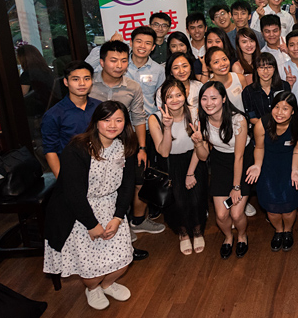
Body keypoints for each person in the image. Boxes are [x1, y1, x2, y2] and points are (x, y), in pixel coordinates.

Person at [43, 101, 137, 310]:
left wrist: (118, 216)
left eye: (119, 120)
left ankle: (108, 284)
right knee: (91, 270)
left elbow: (128, 183)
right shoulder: (78, 147)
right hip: (80, 211)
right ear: (96, 122)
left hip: (112, 206)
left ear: (125, 123)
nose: (113, 125)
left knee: (123, 261)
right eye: (106, 119)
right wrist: (91, 224)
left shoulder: (127, 145)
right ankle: (93, 288)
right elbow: (72, 193)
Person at [90, 41, 160, 250]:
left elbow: (139, 118)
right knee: (105, 186)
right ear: (102, 62)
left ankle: (135, 221)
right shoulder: (90, 84)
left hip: (125, 143)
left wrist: (141, 148)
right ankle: (110, 225)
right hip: (96, 145)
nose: (119, 65)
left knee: (137, 181)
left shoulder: (132, 87)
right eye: (113, 60)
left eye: (123, 60)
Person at [148, 79, 207, 255]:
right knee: (178, 203)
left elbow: (200, 147)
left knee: (196, 200)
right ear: (163, 100)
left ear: (185, 95)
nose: (175, 100)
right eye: (169, 96)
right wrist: (167, 128)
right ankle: (182, 233)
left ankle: (197, 231)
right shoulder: (155, 119)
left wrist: (190, 173)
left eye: (178, 95)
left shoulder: (195, 113)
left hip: (193, 161)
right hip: (170, 164)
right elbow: (164, 152)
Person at [194, 81, 252, 259]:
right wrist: (197, 143)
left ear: (224, 99)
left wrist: (236, 187)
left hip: (242, 160)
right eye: (204, 98)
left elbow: (239, 156)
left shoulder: (238, 120)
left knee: (236, 213)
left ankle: (242, 235)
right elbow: (203, 157)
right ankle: (228, 237)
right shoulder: (201, 120)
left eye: (214, 98)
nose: (209, 103)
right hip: (219, 161)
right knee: (220, 214)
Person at [247, 91, 298, 252]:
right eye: (276, 107)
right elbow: (259, 147)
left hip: (289, 166)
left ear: (293, 111)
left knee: (288, 207)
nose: (280, 112)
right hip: (268, 167)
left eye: (285, 108)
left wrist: (295, 170)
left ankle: (287, 230)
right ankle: (278, 231)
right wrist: (257, 166)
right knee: (271, 208)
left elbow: (297, 150)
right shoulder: (262, 124)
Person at [42, 61, 102, 177]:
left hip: (101, 168)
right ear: (66, 82)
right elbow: (50, 151)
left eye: (86, 78)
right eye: (75, 79)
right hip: (73, 170)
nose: (82, 83)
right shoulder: (54, 114)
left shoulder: (99, 107)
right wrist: (62, 179)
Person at [124, 26, 165, 119]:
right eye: (139, 41)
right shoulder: (120, 66)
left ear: (153, 47)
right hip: (124, 123)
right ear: (131, 43)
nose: (142, 46)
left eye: (147, 43)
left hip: (148, 122)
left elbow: (161, 99)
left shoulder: (158, 70)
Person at [242, 52, 291, 126]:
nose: (265, 71)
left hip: (282, 127)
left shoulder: (284, 86)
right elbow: (252, 117)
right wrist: (268, 126)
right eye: (261, 68)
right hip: (260, 129)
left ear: (274, 69)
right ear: (256, 70)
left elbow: (289, 110)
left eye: (269, 67)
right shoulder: (248, 91)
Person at [155, 52, 203, 119]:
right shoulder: (162, 91)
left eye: (185, 66)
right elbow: (162, 114)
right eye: (176, 68)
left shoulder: (199, 86)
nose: (181, 71)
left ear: (191, 67)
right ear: (171, 72)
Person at [17, 44, 57, 112]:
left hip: (37, 110)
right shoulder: (46, 71)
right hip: (51, 106)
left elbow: (22, 95)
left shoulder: (27, 74)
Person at [205, 46, 245, 110]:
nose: (222, 64)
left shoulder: (240, 78)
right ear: (209, 67)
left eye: (224, 59)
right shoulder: (208, 88)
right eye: (216, 62)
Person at [259, 14, 290, 79]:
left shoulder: (291, 43)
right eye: (267, 31)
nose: (271, 35)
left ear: (280, 30)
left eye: (275, 31)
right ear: (262, 32)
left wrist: (290, 52)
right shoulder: (262, 54)